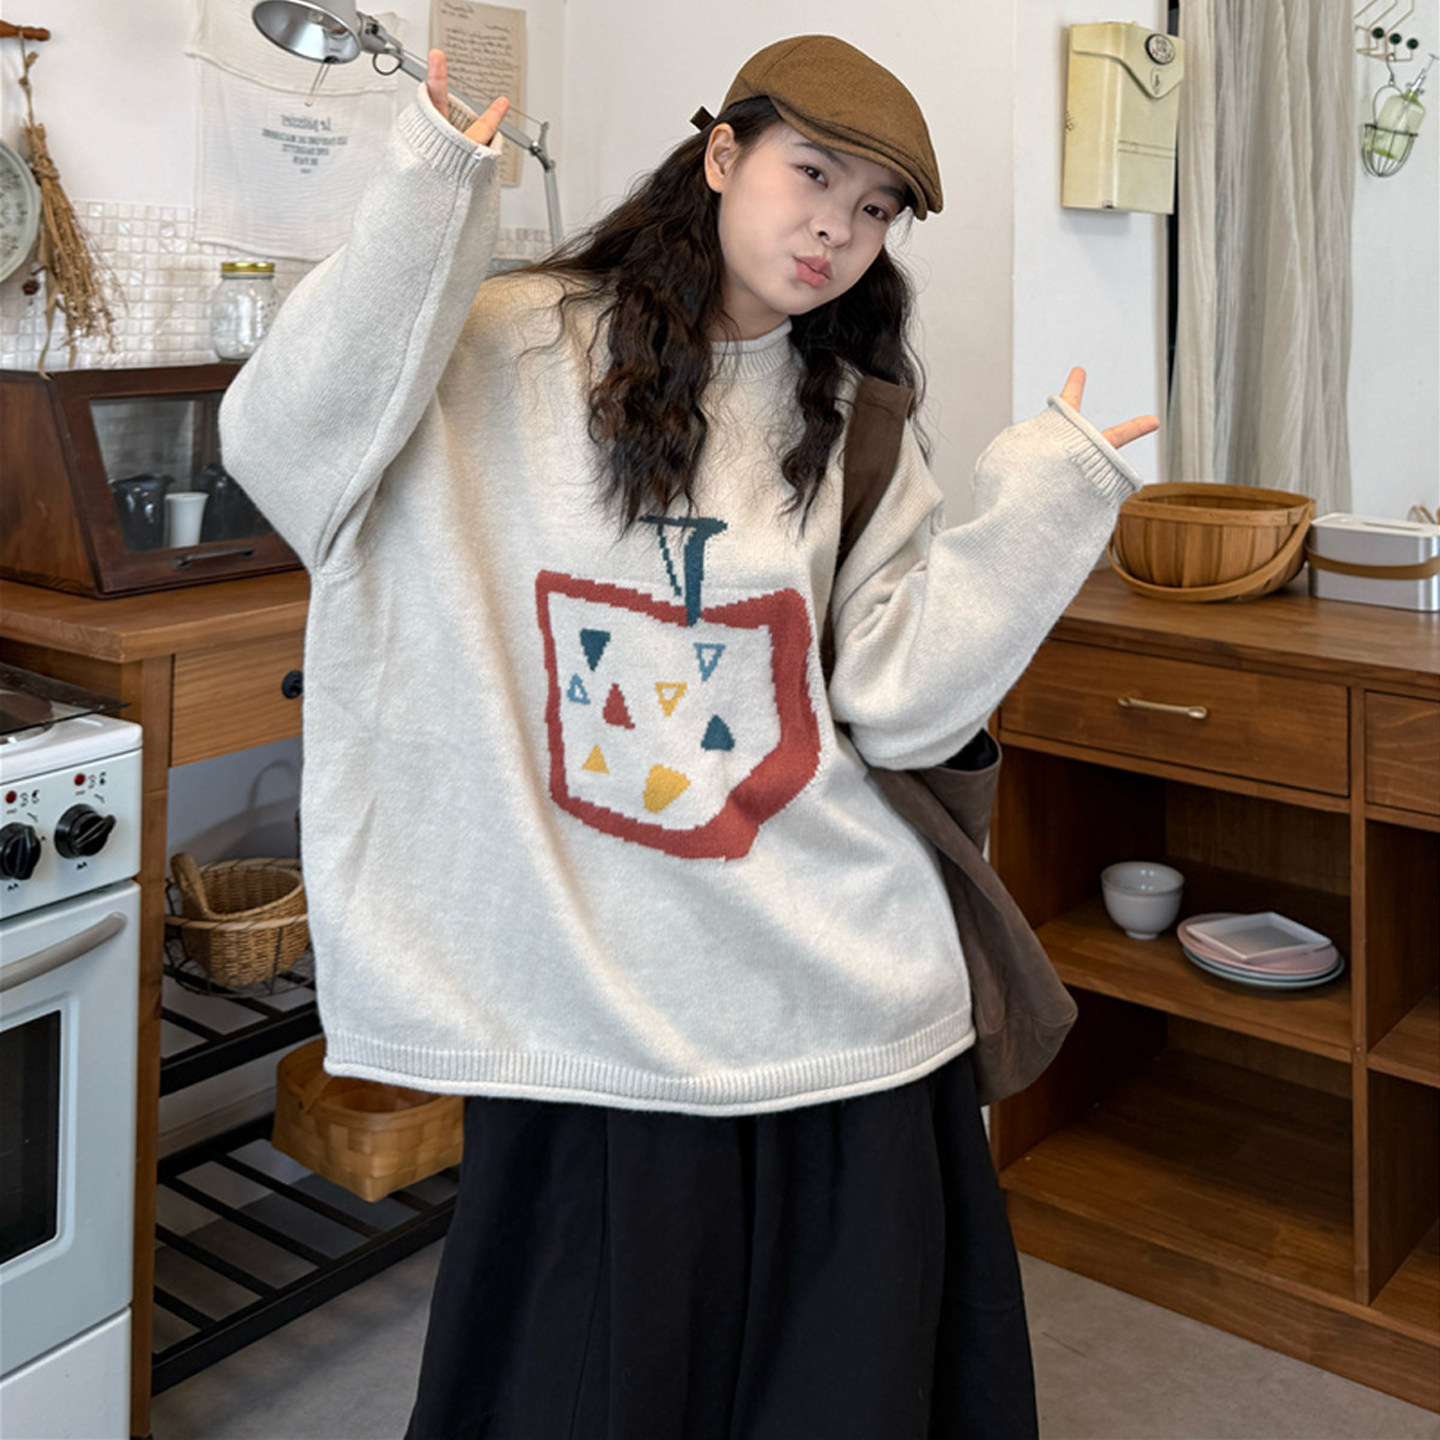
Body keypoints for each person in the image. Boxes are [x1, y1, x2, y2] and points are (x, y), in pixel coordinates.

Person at [221, 32, 1157, 1440]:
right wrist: (430, 186)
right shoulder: (503, 344)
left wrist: (1047, 505)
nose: (836, 227)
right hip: (595, 993)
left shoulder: (853, 415)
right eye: (812, 174)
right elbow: (280, 446)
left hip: (837, 989)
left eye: (876, 207)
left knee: (838, 1394)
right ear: (722, 154)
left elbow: (899, 702)